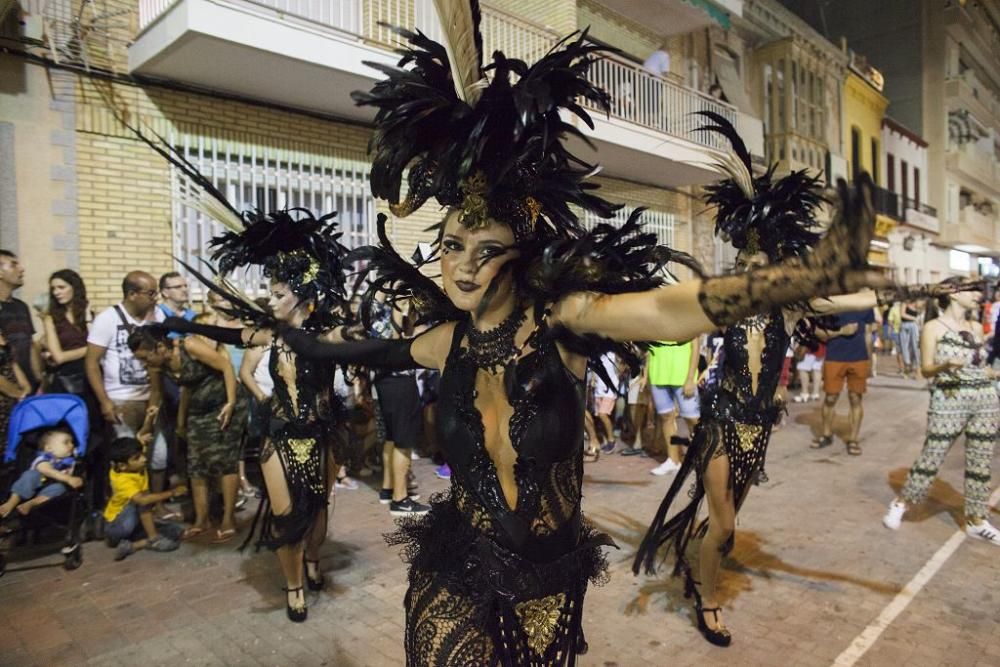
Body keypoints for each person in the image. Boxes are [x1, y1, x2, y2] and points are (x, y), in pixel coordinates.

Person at [280, 21, 881, 663]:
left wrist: (798, 279)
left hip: (547, 580)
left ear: (521, 254)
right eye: (453, 246)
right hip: (454, 568)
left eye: (488, 251)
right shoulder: (444, 342)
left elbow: (671, 310)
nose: (461, 266)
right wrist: (300, 340)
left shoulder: (561, 322)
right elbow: (367, 353)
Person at [634, 114, 884, 648]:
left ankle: (698, 568)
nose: (749, 267)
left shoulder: (790, 309)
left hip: (758, 431)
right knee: (724, 526)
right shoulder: (723, 303)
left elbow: (856, 296)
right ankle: (708, 600)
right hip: (721, 422)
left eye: (758, 260)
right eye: (743, 259)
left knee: (721, 525)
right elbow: (674, 314)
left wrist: (865, 268)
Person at [883, 281, 1000, 545]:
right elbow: (925, 370)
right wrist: (945, 365)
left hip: (984, 397)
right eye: (972, 291)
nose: (978, 296)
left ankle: (977, 520)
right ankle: (901, 503)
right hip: (949, 399)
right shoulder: (932, 328)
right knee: (933, 454)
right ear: (953, 295)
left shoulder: (976, 327)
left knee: (980, 460)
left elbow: (977, 365)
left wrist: (992, 373)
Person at [128, 325, 249, 543]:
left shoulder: (189, 345)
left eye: (145, 358)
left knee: (225, 460)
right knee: (196, 463)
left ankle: (228, 518)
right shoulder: (157, 366)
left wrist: (230, 403)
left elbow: (226, 367)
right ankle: (202, 519)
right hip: (198, 409)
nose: (144, 364)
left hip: (226, 403)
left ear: (159, 347)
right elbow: (156, 394)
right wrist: (149, 424)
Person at [370, 298, 428, 516]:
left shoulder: (375, 311)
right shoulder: (392, 311)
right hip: (398, 380)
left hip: (386, 380)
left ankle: (388, 489)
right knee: (403, 440)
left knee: (393, 438)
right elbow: (397, 341)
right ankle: (400, 499)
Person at [103, 437, 185, 560]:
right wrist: (172, 493)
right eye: (137, 458)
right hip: (116, 528)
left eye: (142, 454)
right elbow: (143, 500)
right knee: (144, 500)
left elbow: (142, 439)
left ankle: (134, 545)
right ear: (122, 466)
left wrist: (148, 421)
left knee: (175, 531)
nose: (144, 459)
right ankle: (153, 539)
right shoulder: (122, 479)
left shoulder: (132, 464)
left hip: (132, 522)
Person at [815, 308, 877, 455]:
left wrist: (869, 360)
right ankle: (826, 434)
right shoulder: (830, 303)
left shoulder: (865, 305)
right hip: (834, 356)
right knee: (830, 397)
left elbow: (868, 334)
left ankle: (853, 439)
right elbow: (818, 333)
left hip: (859, 357)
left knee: (856, 398)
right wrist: (841, 331)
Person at [0, 427, 82, 519]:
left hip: (49, 489)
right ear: (49, 448)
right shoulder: (44, 458)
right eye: (66, 442)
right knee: (30, 475)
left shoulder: (70, 462)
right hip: (34, 482)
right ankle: (12, 502)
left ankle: (31, 504)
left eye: (72, 443)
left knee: (60, 489)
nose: (71, 445)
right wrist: (68, 479)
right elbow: (46, 470)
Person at [648, 341, 700, 475]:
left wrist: (690, 378)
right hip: (657, 373)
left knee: (693, 418)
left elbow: (695, 347)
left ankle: (703, 457)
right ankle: (673, 461)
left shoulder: (688, 319)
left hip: (682, 375)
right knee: (666, 417)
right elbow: (648, 348)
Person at [41, 269, 92, 397]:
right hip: (66, 380)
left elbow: (96, 344)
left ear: (75, 288)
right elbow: (59, 357)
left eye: (61, 287)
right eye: (53, 289)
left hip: (92, 377)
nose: (56, 292)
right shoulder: (51, 318)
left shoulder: (89, 315)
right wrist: (91, 350)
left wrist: (88, 318)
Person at [0, 249, 42, 392]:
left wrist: (39, 381)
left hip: (29, 387)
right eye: (13, 265)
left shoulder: (21, 306)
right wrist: (14, 392)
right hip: (8, 390)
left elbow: (29, 344)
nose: (21, 269)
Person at [0, 331, 30, 437]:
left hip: (14, 407)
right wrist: (19, 394)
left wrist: (24, 391)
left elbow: (25, 384)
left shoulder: (6, 349)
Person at [899, 299, 922, 378]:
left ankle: (916, 368)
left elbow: (920, 316)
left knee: (915, 346)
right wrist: (914, 318)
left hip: (914, 326)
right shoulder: (905, 303)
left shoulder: (917, 304)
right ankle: (907, 365)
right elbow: (902, 314)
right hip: (905, 325)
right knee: (904, 346)